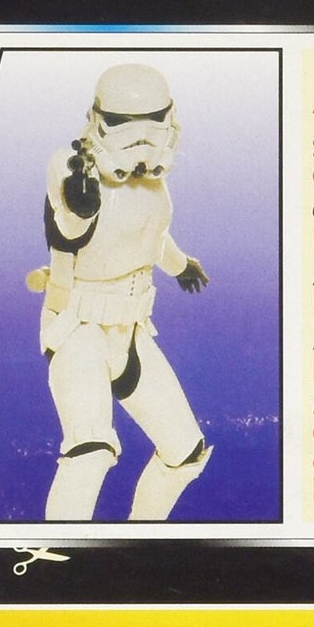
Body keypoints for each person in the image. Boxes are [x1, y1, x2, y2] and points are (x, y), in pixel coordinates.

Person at [34, 62, 213, 522]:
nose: (142, 141)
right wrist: (78, 204)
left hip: (129, 331)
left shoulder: (151, 184)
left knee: (185, 452)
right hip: (79, 330)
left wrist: (180, 265)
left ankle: (142, 537)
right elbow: (68, 228)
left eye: (152, 125)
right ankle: (57, 555)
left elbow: (151, 235)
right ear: (100, 122)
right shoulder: (73, 168)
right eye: (126, 126)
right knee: (90, 451)